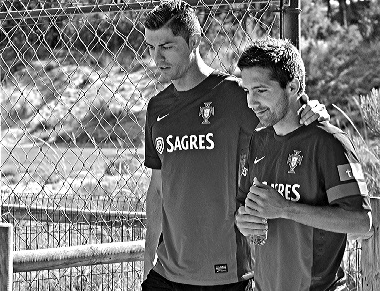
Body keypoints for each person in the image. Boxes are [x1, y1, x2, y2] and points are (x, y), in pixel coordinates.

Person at [142, 1, 329, 290]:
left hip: (226, 274)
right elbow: (157, 189)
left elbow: (285, 115)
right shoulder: (157, 108)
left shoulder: (236, 94)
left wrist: (311, 109)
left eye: (166, 46)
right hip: (165, 274)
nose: (157, 57)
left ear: (193, 41)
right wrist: (147, 263)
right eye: (151, 47)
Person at [235, 37, 372, 291]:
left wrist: (285, 208)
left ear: (293, 86)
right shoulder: (257, 140)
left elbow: (361, 222)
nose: (251, 102)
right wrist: (243, 221)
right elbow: (244, 208)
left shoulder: (329, 142)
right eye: (247, 91)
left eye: (261, 90)